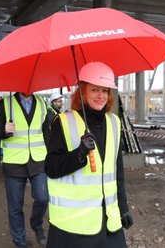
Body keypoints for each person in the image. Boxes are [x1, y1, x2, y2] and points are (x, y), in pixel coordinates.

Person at [44, 62, 133, 248]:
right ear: (82, 92)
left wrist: (123, 209)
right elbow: (51, 168)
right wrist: (80, 153)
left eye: (105, 90)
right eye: (94, 90)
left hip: (108, 221)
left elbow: (118, 174)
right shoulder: (63, 122)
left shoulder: (115, 123)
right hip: (75, 224)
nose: (101, 96)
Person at [0, 92, 49, 248]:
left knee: (43, 197)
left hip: (38, 160)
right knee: (15, 206)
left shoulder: (42, 103)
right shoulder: (6, 103)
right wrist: (4, 130)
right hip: (14, 162)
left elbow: (48, 132)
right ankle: (20, 242)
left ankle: (36, 224)